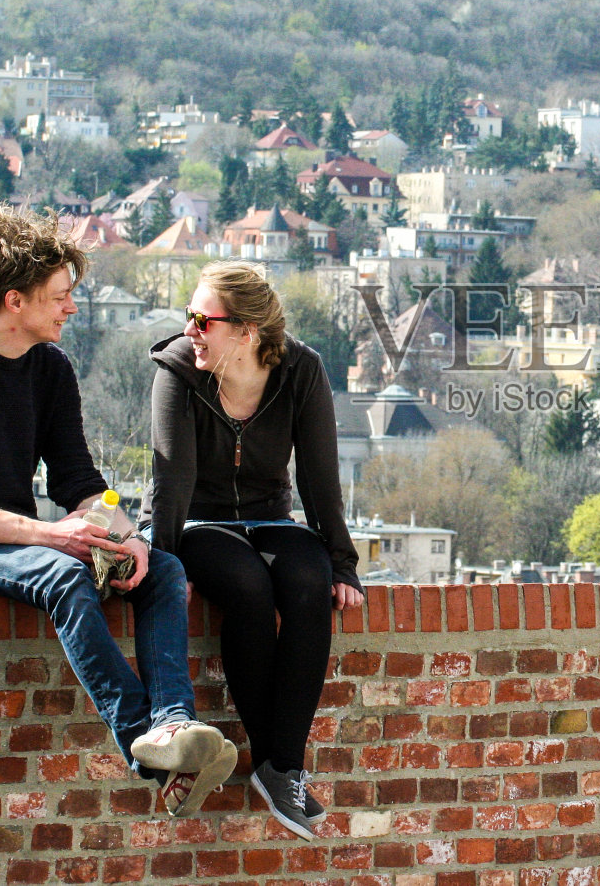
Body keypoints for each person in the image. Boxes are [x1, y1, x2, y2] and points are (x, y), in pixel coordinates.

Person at [0, 207, 237, 818]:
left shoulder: (51, 368)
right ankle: (145, 746)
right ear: (15, 300)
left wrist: (128, 537)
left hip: (21, 539)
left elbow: (79, 481)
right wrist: (52, 535)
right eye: (60, 296)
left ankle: (172, 725)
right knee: (63, 574)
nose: (72, 308)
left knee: (162, 568)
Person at [141, 260, 364, 841]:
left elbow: (319, 476)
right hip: (198, 520)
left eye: (202, 320)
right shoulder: (178, 371)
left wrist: (342, 562)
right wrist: (163, 563)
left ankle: (280, 767)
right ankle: (277, 764)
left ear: (246, 331)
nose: (189, 330)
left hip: (270, 517)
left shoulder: (301, 370)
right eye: (189, 316)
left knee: (309, 582)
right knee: (247, 586)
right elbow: (171, 479)